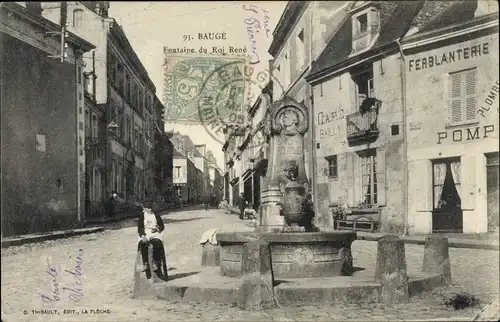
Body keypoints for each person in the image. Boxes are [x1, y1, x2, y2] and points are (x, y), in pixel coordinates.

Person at [137, 197, 165, 272]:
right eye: (147, 208)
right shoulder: (142, 215)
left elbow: (162, 226)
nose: (149, 210)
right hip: (145, 232)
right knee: (142, 243)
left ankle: (156, 262)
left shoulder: (156, 214)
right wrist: (142, 235)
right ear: (144, 208)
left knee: (156, 242)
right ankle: (145, 262)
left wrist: (157, 229)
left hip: (154, 233)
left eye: (150, 208)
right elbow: (140, 227)